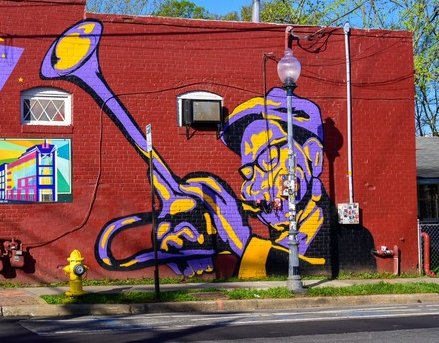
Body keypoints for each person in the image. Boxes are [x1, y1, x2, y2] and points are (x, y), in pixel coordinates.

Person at [95, 88, 328, 278]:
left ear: (313, 156)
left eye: (268, 160)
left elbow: (317, 271)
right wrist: (189, 243)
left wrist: (241, 242)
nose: (255, 186)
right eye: (248, 173)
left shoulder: (350, 239)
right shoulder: (276, 242)